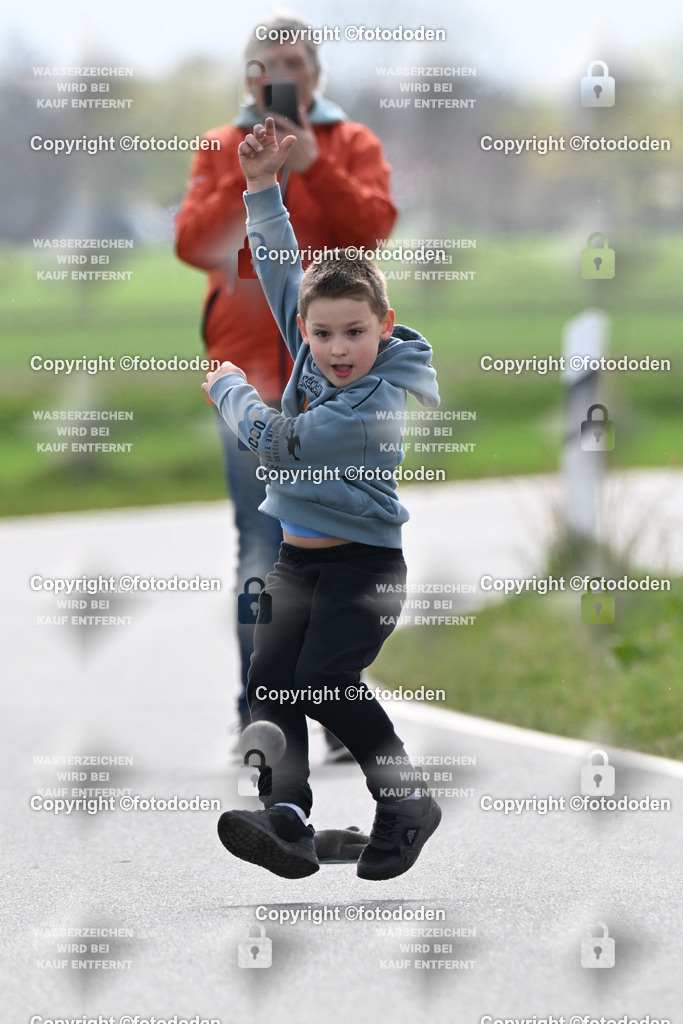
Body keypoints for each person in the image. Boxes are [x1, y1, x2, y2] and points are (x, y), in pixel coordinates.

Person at [201, 117, 441, 881]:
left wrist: (230, 388)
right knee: (269, 684)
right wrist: (263, 186)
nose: (337, 350)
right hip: (296, 566)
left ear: (384, 328)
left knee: (324, 683)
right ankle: (290, 819)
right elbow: (279, 268)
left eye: (355, 333)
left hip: (361, 571)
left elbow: (275, 442)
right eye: (324, 333)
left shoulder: (369, 405)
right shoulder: (313, 349)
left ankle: (405, 801)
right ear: (303, 331)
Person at [176, 17, 397, 748]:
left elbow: (368, 230)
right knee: (262, 544)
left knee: (344, 540)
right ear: (248, 78)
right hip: (252, 371)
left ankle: (331, 697)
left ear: (317, 74)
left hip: (339, 379)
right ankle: (263, 711)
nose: (282, 73)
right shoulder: (219, 147)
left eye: (295, 62)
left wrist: (310, 160)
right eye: (266, 65)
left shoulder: (350, 143)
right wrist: (251, 177)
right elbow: (192, 242)